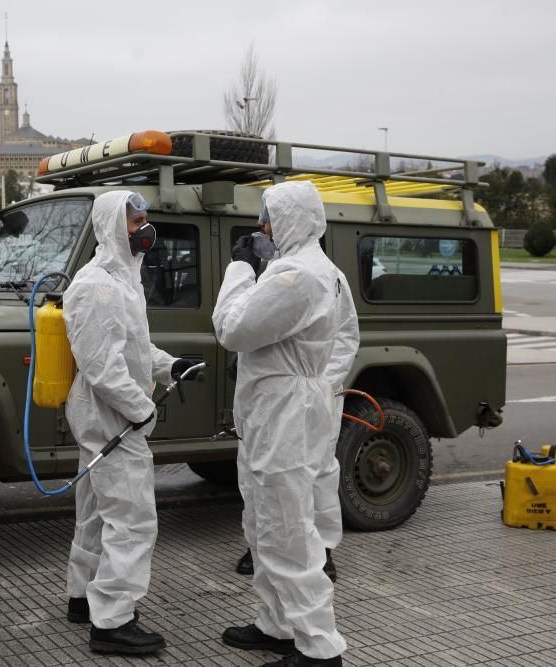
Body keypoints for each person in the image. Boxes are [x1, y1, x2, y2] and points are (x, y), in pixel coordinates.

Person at [213, 181, 358, 667]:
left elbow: (231, 330)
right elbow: (343, 338)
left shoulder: (296, 275)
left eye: (268, 217)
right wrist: (317, 383)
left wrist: (239, 269)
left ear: (292, 219)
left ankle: (319, 647)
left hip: (283, 413)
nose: (261, 227)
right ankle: (276, 625)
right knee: (263, 521)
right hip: (284, 408)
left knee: (287, 528)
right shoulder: (324, 271)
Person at [62, 190, 200, 655]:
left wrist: (169, 365)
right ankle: (113, 620)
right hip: (111, 414)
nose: (144, 225)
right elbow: (103, 367)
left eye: (144, 216)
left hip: (103, 411)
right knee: (133, 520)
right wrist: (141, 409)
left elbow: (131, 349)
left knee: (96, 512)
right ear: (110, 225)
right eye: (134, 219)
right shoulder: (98, 285)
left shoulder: (123, 278)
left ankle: (83, 597)